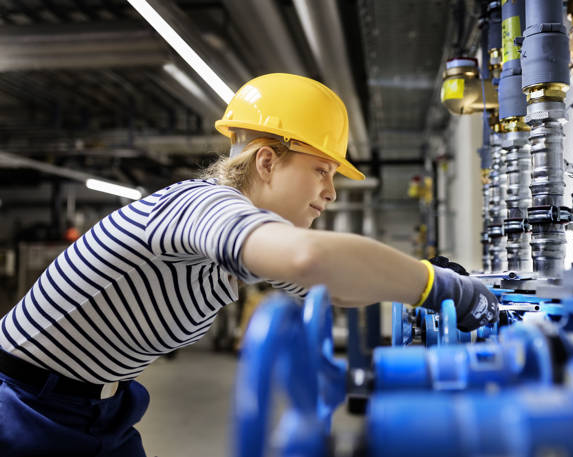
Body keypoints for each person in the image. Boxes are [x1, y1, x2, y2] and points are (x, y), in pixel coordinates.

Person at [0, 73, 498, 456]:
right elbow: (310, 259)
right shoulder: (201, 205)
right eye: (321, 171)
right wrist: (441, 287)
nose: (329, 191)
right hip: (23, 406)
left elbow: (337, 286)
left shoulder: (234, 243)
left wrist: (428, 273)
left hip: (97, 408)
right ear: (266, 162)